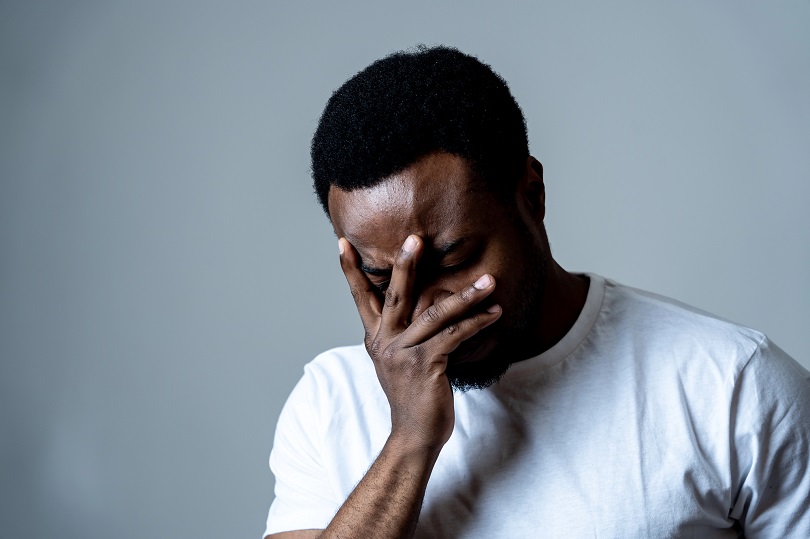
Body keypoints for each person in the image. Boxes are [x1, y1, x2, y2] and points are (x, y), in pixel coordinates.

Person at [263, 46, 810, 538]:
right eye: (385, 280)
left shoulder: (734, 385)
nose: (428, 308)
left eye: (454, 258)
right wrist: (409, 442)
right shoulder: (327, 401)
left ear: (532, 195)